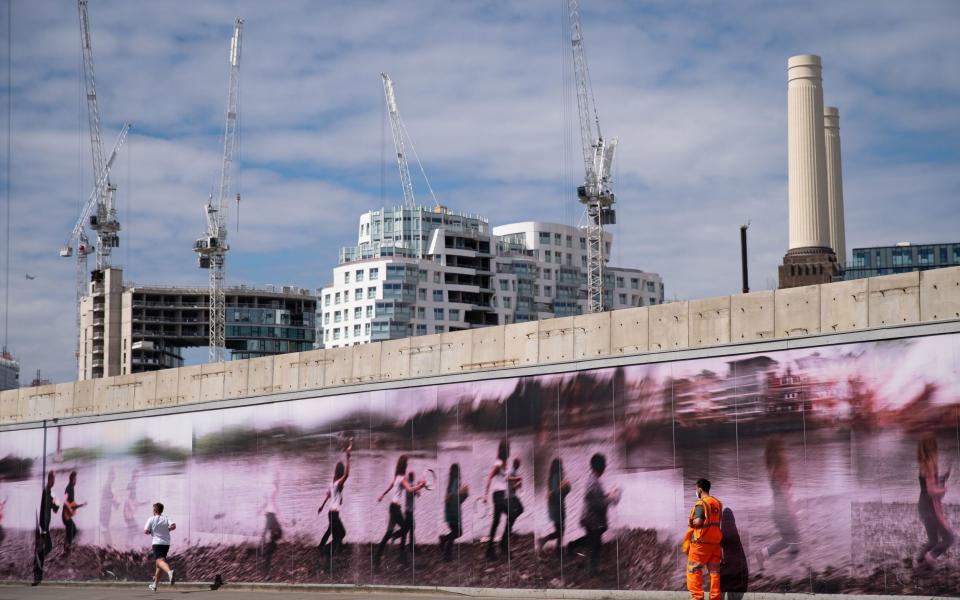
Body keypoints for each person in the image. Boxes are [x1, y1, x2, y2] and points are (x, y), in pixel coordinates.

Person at [568, 453, 620, 575]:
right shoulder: (594, 484)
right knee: (595, 545)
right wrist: (612, 498)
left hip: (591, 518)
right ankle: (593, 570)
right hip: (592, 520)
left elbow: (596, 499)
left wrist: (608, 495)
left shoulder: (594, 480)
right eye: (604, 465)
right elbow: (598, 504)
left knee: (593, 541)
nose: (606, 467)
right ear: (601, 467)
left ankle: (572, 546)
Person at [756, 437, 800, 568]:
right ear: (778, 452)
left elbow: (784, 493)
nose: (786, 452)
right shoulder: (780, 469)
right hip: (783, 511)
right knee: (792, 541)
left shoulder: (772, 469)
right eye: (783, 449)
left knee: (791, 541)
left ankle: (764, 555)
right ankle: (786, 566)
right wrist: (792, 513)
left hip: (779, 511)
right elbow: (785, 496)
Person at [375, 454, 425, 567]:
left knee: (388, 533)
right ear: (404, 465)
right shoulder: (401, 478)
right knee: (406, 527)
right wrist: (421, 486)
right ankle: (401, 555)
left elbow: (391, 486)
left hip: (393, 507)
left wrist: (382, 495)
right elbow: (409, 489)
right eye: (406, 463)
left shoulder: (397, 476)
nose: (407, 465)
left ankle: (378, 556)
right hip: (395, 509)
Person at [915, 434, 955, 567]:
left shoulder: (923, 465)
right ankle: (931, 557)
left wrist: (944, 477)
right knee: (949, 538)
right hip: (930, 507)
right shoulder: (931, 465)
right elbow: (932, 491)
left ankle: (918, 560)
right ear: (933, 448)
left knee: (933, 541)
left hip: (923, 505)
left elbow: (928, 485)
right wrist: (945, 490)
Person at [685, 478, 723, 600]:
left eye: (696, 489)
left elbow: (698, 521)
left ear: (700, 489)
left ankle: (697, 598)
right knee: (714, 573)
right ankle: (715, 598)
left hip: (700, 545)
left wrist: (691, 522)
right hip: (715, 544)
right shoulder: (717, 503)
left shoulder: (701, 504)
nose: (696, 492)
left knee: (693, 570)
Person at [317, 441, 351, 566]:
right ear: (340, 473)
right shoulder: (337, 483)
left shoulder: (333, 483)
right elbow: (347, 474)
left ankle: (323, 548)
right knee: (339, 535)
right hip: (334, 515)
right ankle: (326, 552)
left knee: (336, 532)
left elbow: (328, 495)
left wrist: (321, 506)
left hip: (331, 513)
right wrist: (348, 458)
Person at [483, 439, 511, 560]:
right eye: (506, 448)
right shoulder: (499, 463)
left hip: (502, 494)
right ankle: (502, 544)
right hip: (498, 495)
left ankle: (490, 550)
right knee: (511, 514)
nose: (508, 450)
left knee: (496, 521)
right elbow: (489, 478)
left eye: (508, 448)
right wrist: (485, 495)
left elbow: (503, 480)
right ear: (502, 450)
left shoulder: (505, 463)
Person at [538, 458, 571, 557]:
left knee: (560, 530)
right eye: (561, 465)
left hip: (553, 507)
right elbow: (557, 493)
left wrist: (565, 487)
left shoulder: (552, 477)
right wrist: (566, 486)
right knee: (561, 530)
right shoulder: (557, 476)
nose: (562, 467)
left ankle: (555, 547)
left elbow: (555, 492)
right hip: (558, 507)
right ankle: (548, 544)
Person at [32, 470, 60, 586]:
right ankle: (37, 576)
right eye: (54, 479)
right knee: (43, 549)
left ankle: (38, 574)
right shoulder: (46, 491)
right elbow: (44, 509)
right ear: (51, 479)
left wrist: (57, 505)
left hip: (45, 527)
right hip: (43, 527)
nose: (55, 481)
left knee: (45, 548)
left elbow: (54, 510)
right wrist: (43, 528)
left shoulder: (50, 492)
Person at [144, 502, 176, 592]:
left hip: (157, 543)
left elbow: (146, 531)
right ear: (161, 510)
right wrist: (168, 529)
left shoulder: (151, 519)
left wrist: (152, 532)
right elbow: (173, 526)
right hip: (166, 543)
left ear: (154, 510)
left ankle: (169, 572)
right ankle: (154, 585)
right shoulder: (166, 518)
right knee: (159, 564)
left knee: (160, 561)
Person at [439, 463, 468, 561]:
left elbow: (455, 498)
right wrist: (464, 493)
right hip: (454, 511)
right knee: (458, 532)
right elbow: (454, 496)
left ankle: (445, 545)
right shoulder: (457, 481)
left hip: (449, 510)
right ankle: (447, 552)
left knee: (456, 532)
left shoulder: (450, 482)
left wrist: (464, 495)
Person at [259, 473, 283, 575]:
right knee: (278, 533)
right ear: (276, 482)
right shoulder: (274, 489)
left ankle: (264, 552)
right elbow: (273, 502)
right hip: (271, 515)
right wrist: (281, 516)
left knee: (269, 534)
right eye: (278, 482)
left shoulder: (269, 489)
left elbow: (266, 502)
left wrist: (260, 509)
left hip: (268, 515)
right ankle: (265, 555)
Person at [61, 471, 86, 556]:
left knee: (73, 530)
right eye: (75, 479)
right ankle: (66, 547)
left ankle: (66, 546)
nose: (76, 480)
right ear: (72, 479)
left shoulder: (72, 488)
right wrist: (69, 509)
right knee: (72, 531)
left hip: (67, 516)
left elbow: (73, 505)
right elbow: (64, 501)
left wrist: (81, 505)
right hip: (65, 516)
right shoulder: (69, 488)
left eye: (76, 478)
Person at [99, 467, 120, 548]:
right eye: (113, 475)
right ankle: (109, 545)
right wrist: (116, 505)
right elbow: (110, 498)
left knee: (105, 527)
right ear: (110, 476)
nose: (114, 477)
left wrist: (115, 504)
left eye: (114, 476)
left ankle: (107, 545)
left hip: (105, 509)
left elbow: (109, 497)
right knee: (105, 527)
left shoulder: (107, 485)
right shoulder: (107, 485)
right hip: (105, 510)